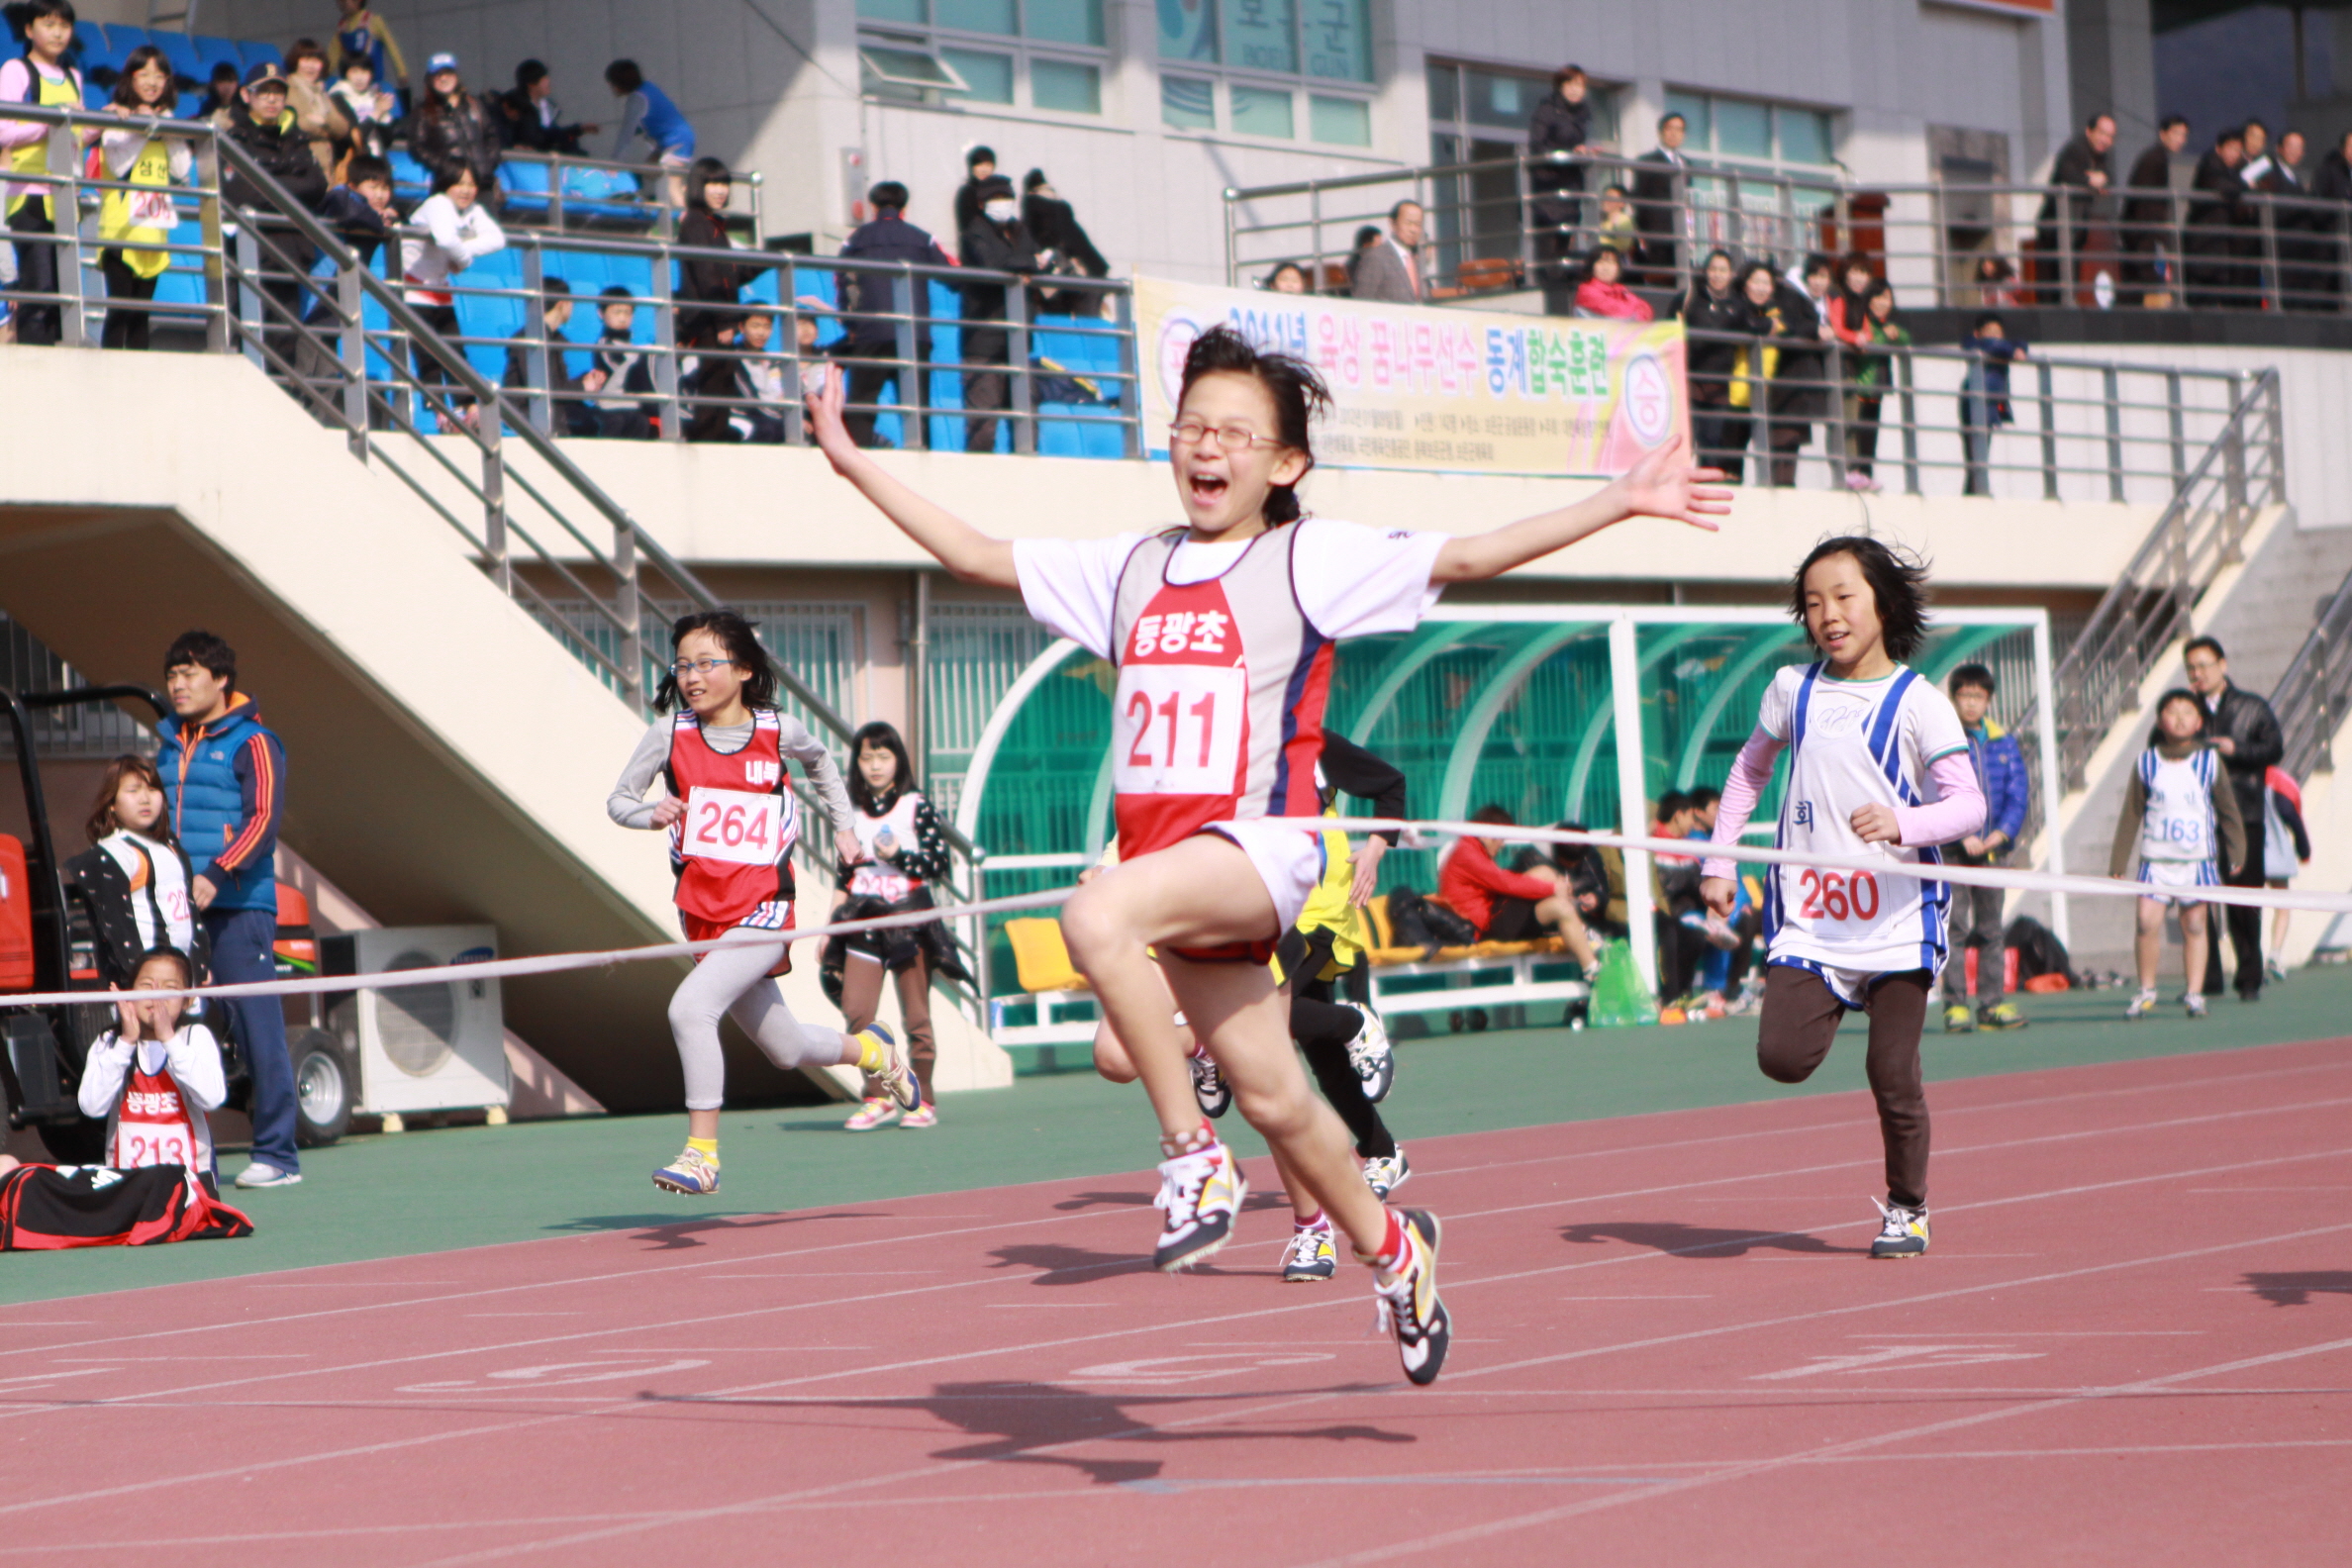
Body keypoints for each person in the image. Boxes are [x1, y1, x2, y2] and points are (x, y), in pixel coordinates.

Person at [804, 321, 1729, 1382]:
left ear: (1285, 463)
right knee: (1282, 1100)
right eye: (1194, 426)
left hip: (1263, 847)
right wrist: (851, 460)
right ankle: (1398, 1255)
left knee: (1092, 913)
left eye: (1237, 434)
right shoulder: (1128, 568)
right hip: (1178, 877)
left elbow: (1468, 554)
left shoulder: (1308, 556)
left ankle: (1193, 1160)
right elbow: (972, 554)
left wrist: (1616, 501)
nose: (1209, 448)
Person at [1700, 538, 1987, 1261]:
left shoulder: (1920, 704)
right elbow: (1746, 774)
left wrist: (1904, 823)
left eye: (1844, 596)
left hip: (1897, 919)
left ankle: (1907, 1208)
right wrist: (1720, 859)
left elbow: (1968, 807)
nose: (1828, 614)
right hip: (1814, 919)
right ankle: (1829, 1001)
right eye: (1814, 602)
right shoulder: (1791, 690)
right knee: (1782, 1058)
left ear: (1883, 603)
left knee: (1892, 1074)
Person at [607, 611, 922, 1195]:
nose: (692, 677)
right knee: (786, 1048)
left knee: (689, 1010)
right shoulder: (668, 735)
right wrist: (651, 814)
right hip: (704, 913)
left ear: (745, 670)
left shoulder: (778, 730)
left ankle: (702, 1153)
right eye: (682, 666)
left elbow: (824, 763)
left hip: (764, 907)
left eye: (707, 663)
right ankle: (872, 1052)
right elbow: (619, 800)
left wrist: (845, 829)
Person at [155, 631, 300, 1191]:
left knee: (256, 1026)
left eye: (189, 674)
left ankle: (279, 1155)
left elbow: (262, 820)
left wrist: (219, 873)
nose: (178, 685)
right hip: (177, 909)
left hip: (240, 907)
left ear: (221, 681)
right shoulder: (170, 743)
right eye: (172, 675)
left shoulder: (256, 742)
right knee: (183, 1028)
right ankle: (191, 1155)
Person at [829, 721, 964, 1129]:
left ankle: (923, 1099)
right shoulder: (850, 812)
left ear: (898, 761)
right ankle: (877, 1095)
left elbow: (939, 863)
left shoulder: (915, 805)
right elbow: (844, 875)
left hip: (908, 919)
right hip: (863, 921)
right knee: (856, 1010)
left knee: (916, 1016)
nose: (874, 766)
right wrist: (830, 926)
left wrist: (901, 855)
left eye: (883, 757)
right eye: (867, 757)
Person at [2109, 689, 2244, 1020]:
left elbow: (2228, 809)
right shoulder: (2146, 762)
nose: (2180, 718)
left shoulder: (2209, 761)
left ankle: (2195, 993)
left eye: (2188, 712)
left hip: (2197, 861)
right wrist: (2118, 859)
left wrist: (2236, 847)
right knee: (2145, 922)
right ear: (2160, 720)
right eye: (2172, 711)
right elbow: (2131, 813)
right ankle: (2146, 990)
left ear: (2199, 721)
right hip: (2156, 860)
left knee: (2196, 925)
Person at [77, 946, 229, 1184]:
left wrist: (169, 1040)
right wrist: (126, 1042)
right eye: (147, 985)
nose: (156, 995)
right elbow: (92, 1107)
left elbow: (211, 1098)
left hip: (189, 1188)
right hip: (126, 1188)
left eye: (169, 988)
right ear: (129, 993)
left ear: (188, 1000)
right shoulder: (110, 1042)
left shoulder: (194, 1037)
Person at [2184, 636, 2282, 1000]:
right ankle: (2207, 980)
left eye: (2204, 665)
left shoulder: (2252, 707)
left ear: (2223, 665)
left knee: (2243, 899)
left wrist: (2236, 749)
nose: (2198, 674)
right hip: (2194, 818)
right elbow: (2159, 748)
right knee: (2197, 900)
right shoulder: (2183, 710)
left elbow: (2275, 748)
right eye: (2191, 668)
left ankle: (2249, 977)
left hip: (2243, 816)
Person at [1935, 663, 2028, 1031]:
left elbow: (2018, 794)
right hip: (1953, 852)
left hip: (1993, 852)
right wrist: (1962, 834)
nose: (1971, 703)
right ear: (1954, 698)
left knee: (1992, 930)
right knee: (1954, 929)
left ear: (1988, 700)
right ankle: (1955, 1006)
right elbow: (1937, 792)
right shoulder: (1943, 739)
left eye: (1978, 696)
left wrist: (2001, 833)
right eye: (1964, 696)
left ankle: (1991, 1005)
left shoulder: (2004, 740)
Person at [65, 754, 201, 990]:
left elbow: (192, 913)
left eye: (152, 788)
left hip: (185, 977)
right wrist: (136, 980)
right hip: (146, 983)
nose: (145, 799)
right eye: (133, 790)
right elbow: (115, 929)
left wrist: (200, 966)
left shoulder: (171, 845)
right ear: (111, 803)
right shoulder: (112, 853)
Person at [837, 179, 954, 449]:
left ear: (872, 205)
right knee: (916, 405)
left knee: (862, 404)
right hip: (914, 334)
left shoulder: (857, 238)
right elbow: (952, 274)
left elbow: (842, 278)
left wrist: (849, 322)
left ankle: (857, 459)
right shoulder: (922, 238)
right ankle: (920, 459)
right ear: (906, 206)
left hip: (870, 332)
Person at [1, 0, 86, 347]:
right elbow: (4, 131)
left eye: (64, 25)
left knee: (62, 293)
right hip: (30, 195)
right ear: (29, 29)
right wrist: (50, 122)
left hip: (65, 198)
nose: (57, 33)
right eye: (48, 24)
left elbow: (76, 136)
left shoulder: (73, 76)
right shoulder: (15, 71)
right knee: (39, 290)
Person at [95, 45, 189, 353]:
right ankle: (108, 385)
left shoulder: (168, 121)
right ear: (130, 79)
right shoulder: (117, 116)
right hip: (120, 231)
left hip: (153, 232)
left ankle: (138, 389)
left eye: (160, 76)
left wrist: (167, 130)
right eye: (144, 74)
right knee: (120, 312)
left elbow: (181, 169)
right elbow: (120, 166)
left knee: (141, 316)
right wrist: (141, 126)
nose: (152, 82)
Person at [400, 162, 504, 427]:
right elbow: (445, 239)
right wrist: (463, 259)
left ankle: (467, 406)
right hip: (414, 289)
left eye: (471, 184)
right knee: (427, 354)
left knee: (455, 351)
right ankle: (440, 413)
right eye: (460, 183)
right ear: (445, 184)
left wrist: (463, 252)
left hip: (440, 289)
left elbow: (497, 239)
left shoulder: (472, 210)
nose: (467, 190)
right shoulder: (438, 203)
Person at [1440, 805, 1600, 975]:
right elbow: (1505, 883)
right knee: (1550, 886)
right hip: (1485, 928)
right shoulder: (1467, 854)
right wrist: (1552, 888)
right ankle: (1586, 942)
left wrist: (1553, 889)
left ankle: (1589, 959)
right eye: (1501, 839)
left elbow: (1501, 879)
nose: (1502, 845)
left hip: (1493, 919)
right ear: (1488, 834)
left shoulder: (1470, 849)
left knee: (1554, 893)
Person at [957, 173, 1042, 453]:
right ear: (982, 204)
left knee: (1027, 423)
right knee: (982, 426)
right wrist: (1026, 264)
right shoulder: (975, 231)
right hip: (984, 342)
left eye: (1006, 198)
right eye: (995, 199)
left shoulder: (1021, 231)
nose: (1002, 204)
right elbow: (992, 265)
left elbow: (1034, 262)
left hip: (1018, 340)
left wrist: (1026, 264)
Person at [502, 276, 619, 439]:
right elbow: (542, 387)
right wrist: (582, 387)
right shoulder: (529, 339)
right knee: (613, 421)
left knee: (631, 420)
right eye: (571, 302)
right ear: (561, 304)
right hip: (532, 411)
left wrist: (584, 381)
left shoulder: (554, 338)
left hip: (555, 407)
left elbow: (555, 384)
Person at [1764, 253, 1832, 487]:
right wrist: (1816, 330)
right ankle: (1781, 488)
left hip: (1798, 383)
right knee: (1784, 437)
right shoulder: (1791, 296)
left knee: (1790, 439)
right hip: (1788, 380)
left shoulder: (1818, 302)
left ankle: (1784, 486)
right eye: (1814, 275)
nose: (1818, 282)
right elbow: (1788, 326)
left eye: (1823, 276)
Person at [2033, 111, 2114, 302]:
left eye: (2110, 136)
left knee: (2069, 285)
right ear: (2089, 131)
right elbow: (2067, 175)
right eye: (2102, 133)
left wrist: (2102, 180)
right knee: (2053, 287)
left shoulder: (2099, 156)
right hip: (2055, 231)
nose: (2106, 140)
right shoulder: (2076, 149)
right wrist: (2090, 181)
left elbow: (2107, 177)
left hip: (2074, 231)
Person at [1678, 249, 1744, 479]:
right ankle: (1685, 479)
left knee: (1713, 436)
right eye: (1713, 269)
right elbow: (1671, 325)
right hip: (1691, 377)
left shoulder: (1737, 303)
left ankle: (1708, 480)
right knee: (1689, 434)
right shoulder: (1690, 297)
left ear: (1731, 274)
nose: (1717, 275)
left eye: (1722, 270)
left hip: (1720, 381)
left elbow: (1751, 325)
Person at [1527, 64, 1592, 295]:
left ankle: (1560, 283)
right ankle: (1547, 286)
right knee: (1548, 244)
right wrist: (1567, 153)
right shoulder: (1546, 110)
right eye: (1571, 84)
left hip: (1570, 186)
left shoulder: (1582, 114)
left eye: (1580, 85)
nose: (1576, 90)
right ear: (1560, 86)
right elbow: (1537, 146)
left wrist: (1582, 154)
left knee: (1565, 238)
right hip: (1548, 186)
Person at [1842, 283, 1907, 492]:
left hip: (1876, 388)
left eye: (1887, 298)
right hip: (1863, 385)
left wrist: (1895, 333)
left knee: (1871, 432)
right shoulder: (1865, 321)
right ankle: (1855, 474)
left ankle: (1866, 475)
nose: (1882, 303)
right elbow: (1867, 342)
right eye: (1878, 297)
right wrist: (1885, 335)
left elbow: (1907, 338)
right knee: (1857, 432)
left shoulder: (1886, 324)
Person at [1022, 168, 1111, 315]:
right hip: (1093, 269)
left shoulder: (1033, 204)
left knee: (1056, 318)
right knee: (1089, 322)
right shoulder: (1062, 208)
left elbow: (1043, 239)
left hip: (1065, 271)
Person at [605, 58, 694, 203]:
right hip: (673, 141)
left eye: (611, 83)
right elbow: (649, 121)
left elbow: (626, 135)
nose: (611, 87)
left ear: (618, 83)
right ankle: (681, 192)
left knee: (672, 188)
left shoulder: (636, 99)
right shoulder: (648, 88)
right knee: (649, 171)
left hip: (675, 143)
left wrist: (615, 163)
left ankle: (689, 217)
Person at [2122, 116, 2190, 305]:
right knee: (2144, 278)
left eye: (2184, 136)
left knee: (2139, 279)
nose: (2180, 140)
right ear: (2162, 134)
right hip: (2142, 230)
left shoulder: (2157, 156)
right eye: (2176, 134)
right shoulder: (2155, 158)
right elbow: (2148, 201)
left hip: (2141, 229)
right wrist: (2163, 234)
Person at [411, 52, 499, 196]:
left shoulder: (474, 104)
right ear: (430, 79)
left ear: (456, 76)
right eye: (438, 75)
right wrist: (446, 168)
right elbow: (417, 147)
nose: (443, 78)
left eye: (448, 73)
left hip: (482, 184)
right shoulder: (423, 111)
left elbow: (492, 136)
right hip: (449, 186)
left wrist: (488, 164)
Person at [1958, 312, 2025, 496]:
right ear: (1978, 333)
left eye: (1999, 332)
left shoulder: (2003, 346)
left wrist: (2017, 348)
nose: (1995, 336)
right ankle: (1976, 492)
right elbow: (1982, 345)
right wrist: (2012, 350)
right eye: (1990, 331)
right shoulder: (1976, 344)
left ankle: (1974, 492)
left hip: (1990, 405)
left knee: (1980, 455)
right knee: (1975, 455)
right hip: (1974, 404)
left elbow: (2020, 343)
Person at [2186, 125, 2248, 306]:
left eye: (2238, 150)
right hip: (2204, 244)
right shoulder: (2210, 163)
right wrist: (2244, 182)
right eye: (2231, 148)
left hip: (2216, 244)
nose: (2235, 154)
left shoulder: (2230, 169)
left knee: (2215, 293)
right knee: (2202, 297)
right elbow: (2226, 188)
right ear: (2219, 148)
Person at [2262, 763, 2310, 982]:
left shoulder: (2240, 774)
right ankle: (2275, 953)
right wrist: (2304, 850)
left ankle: (2251, 957)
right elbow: (2292, 816)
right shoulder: (2282, 781)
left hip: (2249, 853)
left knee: (2247, 905)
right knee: (2282, 906)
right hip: (2277, 853)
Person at [1631, 112, 1691, 284]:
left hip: (1683, 230)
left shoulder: (1686, 163)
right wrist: (1643, 230)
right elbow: (1639, 197)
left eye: (1679, 130)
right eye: (1669, 129)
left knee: (1682, 276)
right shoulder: (1647, 160)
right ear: (1660, 132)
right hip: (1657, 232)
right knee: (1660, 277)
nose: (1674, 133)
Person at [591, 285, 657, 437]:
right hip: (611, 406)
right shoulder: (605, 345)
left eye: (627, 312)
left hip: (636, 405)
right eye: (616, 312)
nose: (622, 318)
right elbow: (618, 368)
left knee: (643, 421)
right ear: (601, 313)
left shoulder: (633, 348)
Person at [491, 58, 594, 155]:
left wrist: (576, 131)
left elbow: (546, 134)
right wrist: (512, 146)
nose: (548, 82)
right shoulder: (517, 105)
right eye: (544, 79)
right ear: (531, 83)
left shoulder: (547, 107)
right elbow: (537, 137)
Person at [282, 40, 345, 178]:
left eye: (316, 61)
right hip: (301, 164)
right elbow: (293, 125)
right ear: (296, 61)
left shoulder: (321, 92)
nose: (311, 66)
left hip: (327, 164)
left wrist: (322, 121)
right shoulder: (287, 89)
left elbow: (342, 128)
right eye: (306, 59)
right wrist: (323, 126)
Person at [329, 0, 407, 110]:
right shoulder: (342, 26)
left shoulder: (373, 20)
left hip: (375, 83)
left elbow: (392, 47)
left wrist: (402, 72)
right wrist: (322, 75)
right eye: (340, 0)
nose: (345, 3)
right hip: (350, 86)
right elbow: (332, 55)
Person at [328, 52, 396, 162]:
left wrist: (384, 115)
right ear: (346, 73)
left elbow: (387, 141)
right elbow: (353, 138)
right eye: (354, 72)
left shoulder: (373, 95)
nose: (359, 78)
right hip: (352, 162)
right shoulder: (337, 97)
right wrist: (376, 113)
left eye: (364, 72)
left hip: (377, 161)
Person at [1351, 199, 1423, 303]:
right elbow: (1362, 300)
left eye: (1418, 225)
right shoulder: (1376, 257)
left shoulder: (1416, 260)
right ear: (1393, 223)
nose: (1413, 230)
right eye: (1408, 223)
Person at [1574, 245, 1651, 321]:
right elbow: (1622, 312)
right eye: (1601, 263)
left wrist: (1638, 316)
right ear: (1592, 267)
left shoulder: (1621, 289)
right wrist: (1636, 312)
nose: (1606, 268)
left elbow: (1646, 309)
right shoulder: (1586, 290)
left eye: (1610, 263)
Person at [953, 144, 996, 241]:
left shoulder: (996, 192)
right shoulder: (968, 192)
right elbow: (967, 226)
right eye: (979, 165)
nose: (984, 169)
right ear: (972, 167)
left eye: (988, 165)